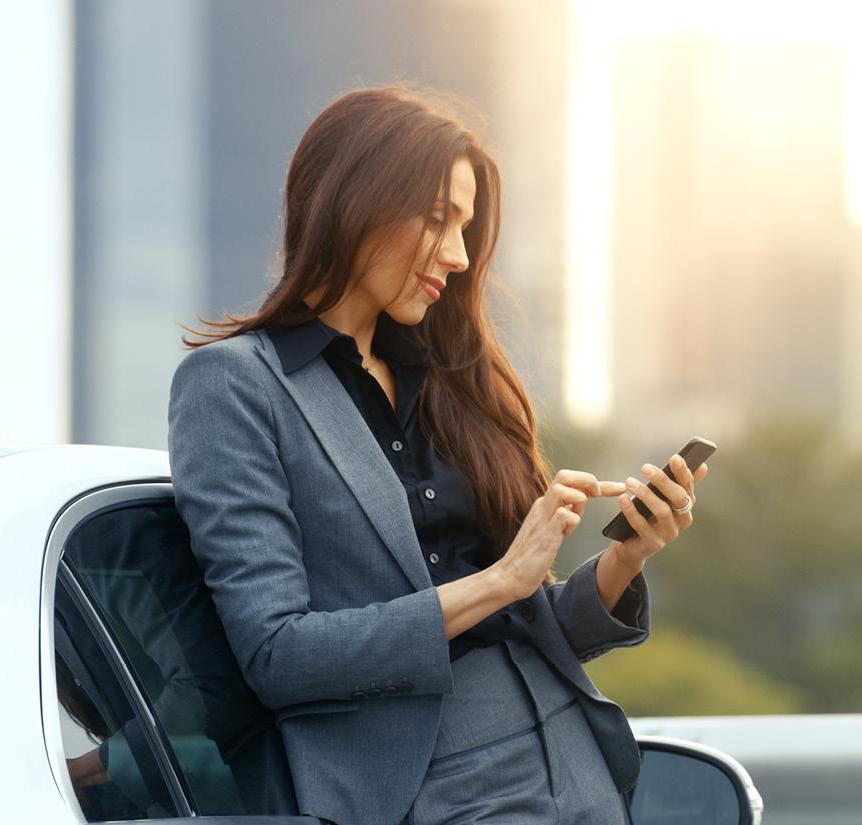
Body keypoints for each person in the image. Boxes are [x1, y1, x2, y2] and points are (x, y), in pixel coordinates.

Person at [166, 84, 707, 825]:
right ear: (357, 202)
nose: (457, 256)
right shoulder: (235, 385)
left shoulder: (449, 377)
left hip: (576, 767)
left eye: (466, 228)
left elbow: (521, 628)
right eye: (437, 220)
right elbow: (277, 655)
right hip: (430, 789)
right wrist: (502, 579)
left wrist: (623, 560)